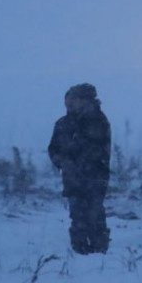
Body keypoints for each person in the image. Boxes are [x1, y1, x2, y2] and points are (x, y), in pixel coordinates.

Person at [48, 83, 111, 255]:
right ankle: (80, 252)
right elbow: (53, 149)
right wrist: (63, 162)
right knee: (77, 217)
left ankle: (100, 252)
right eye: (67, 100)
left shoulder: (98, 121)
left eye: (73, 100)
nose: (68, 104)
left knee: (94, 215)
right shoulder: (62, 124)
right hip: (72, 180)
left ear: (84, 101)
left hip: (94, 179)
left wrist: (74, 158)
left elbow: (96, 150)